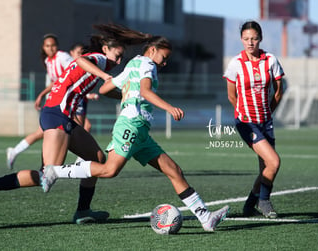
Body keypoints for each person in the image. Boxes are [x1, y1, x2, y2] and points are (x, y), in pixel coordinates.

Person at [41, 35, 230, 232]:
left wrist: (126, 94)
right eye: (164, 58)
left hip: (141, 131)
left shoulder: (134, 64)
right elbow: (146, 91)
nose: (164, 63)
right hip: (131, 125)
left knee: (173, 170)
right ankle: (55, 171)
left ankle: (206, 218)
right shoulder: (148, 64)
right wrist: (169, 107)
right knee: (109, 170)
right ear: (153, 50)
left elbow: (105, 88)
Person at [0, 24, 150, 224]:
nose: (117, 61)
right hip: (57, 114)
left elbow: (104, 90)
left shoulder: (100, 63)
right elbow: (81, 60)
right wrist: (104, 76)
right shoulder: (98, 60)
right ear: (104, 50)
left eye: (121, 58)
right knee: (47, 174)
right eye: (116, 56)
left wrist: (124, 96)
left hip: (61, 116)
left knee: (97, 157)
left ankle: (83, 211)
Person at [223, 20, 284, 218]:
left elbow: (278, 93)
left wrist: (268, 112)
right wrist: (244, 113)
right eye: (247, 39)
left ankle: (250, 205)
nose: (250, 43)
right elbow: (232, 95)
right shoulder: (235, 63)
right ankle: (264, 201)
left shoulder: (271, 60)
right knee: (274, 162)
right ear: (241, 39)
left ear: (261, 39)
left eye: (254, 39)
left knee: (266, 169)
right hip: (246, 122)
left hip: (266, 121)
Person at [6, 40, 88, 170]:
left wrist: (42, 94)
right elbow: (63, 80)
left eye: (53, 45)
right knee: (80, 127)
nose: (51, 48)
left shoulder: (61, 57)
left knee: (46, 132)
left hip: (66, 97)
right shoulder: (49, 61)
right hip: (63, 100)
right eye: (47, 46)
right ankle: (77, 163)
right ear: (43, 48)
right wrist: (42, 94)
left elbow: (70, 76)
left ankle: (16, 152)